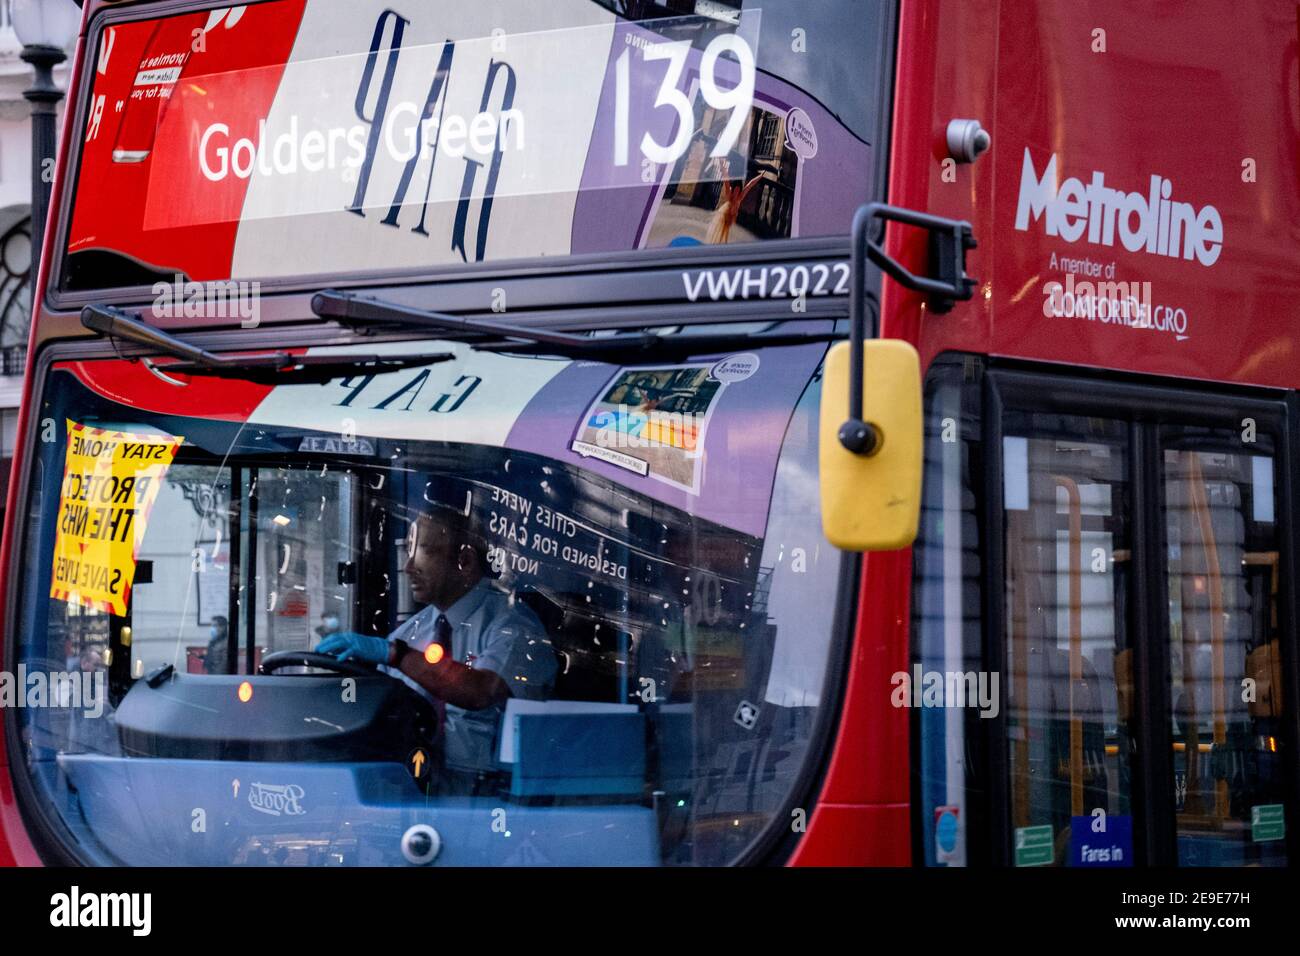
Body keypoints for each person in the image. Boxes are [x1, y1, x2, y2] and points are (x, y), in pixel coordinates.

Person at [316, 484, 556, 794]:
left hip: (492, 796)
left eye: (424, 551)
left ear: (464, 561)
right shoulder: (411, 633)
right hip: (414, 787)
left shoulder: (513, 625)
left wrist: (396, 656)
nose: (407, 567)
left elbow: (481, 691)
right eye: (408, 552)